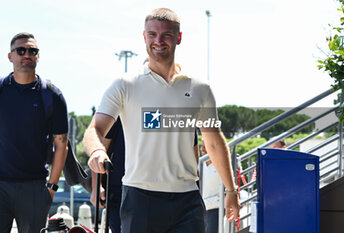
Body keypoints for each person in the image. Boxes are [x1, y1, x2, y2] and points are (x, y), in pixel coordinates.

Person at [83, 8, 240, 233]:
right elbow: (95, 129)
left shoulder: (200, 89)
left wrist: (231, 190)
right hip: (139, 197)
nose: (159, 41)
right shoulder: (124, 85)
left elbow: (214, 142)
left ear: (179, 37)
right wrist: (97, 151)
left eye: (166, 34)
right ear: (144, 36)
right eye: (152, 34)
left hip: (187, 198)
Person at [0, 32, 68, 232]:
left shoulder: (52, 95)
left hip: (35, 188)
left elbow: (61, 145)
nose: (26, 54)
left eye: (32, 51)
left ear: (38, 56)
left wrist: (51, 189)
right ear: (10, 56)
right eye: (21, 50)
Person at [89, 118, 199, 233]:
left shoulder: (181, 111)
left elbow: (192, 157)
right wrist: (97, 187)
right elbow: (101, 149)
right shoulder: (123, 107)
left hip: (172, 196)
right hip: (121, 195)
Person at [201, 140, 221, 233]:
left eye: (206, 146)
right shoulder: (199, 165)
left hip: (216, 207)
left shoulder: (221, 165)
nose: (202, 149)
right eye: (202, 146)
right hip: (201, 207)